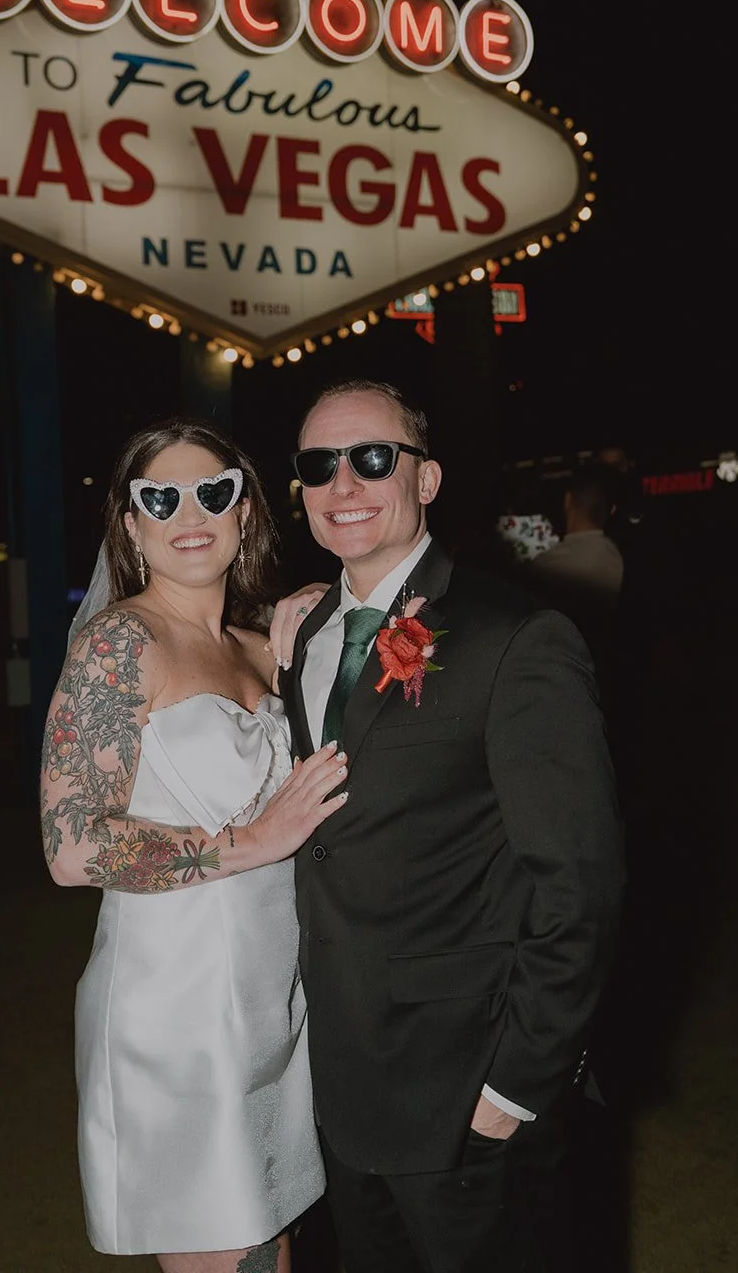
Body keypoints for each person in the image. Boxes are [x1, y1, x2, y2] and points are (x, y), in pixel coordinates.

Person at [271, 380, 625, 1273]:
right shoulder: (304, 630)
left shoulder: (518, 637)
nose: (342, 483)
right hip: (337, 1085)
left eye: (372, 459)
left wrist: (517, 1083)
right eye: (319, 465)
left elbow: (578, 877)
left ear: (425, 480)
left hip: (465, 1086)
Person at [41, 418, 349, 1272]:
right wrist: (249, 841)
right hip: (175, 1014)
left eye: (213, 491)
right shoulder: (118, 645)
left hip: (273, 1000)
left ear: (244, 511)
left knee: (275, 1243)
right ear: (130, 524)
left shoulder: (259, 646)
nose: (190, 511)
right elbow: (71, 849)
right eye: (160, 496)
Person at [522, 461, 625, 694]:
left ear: (568, 501)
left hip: (557, 679)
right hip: (603, 675)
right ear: (611, 510)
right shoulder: (615, 557)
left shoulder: (546, 566)